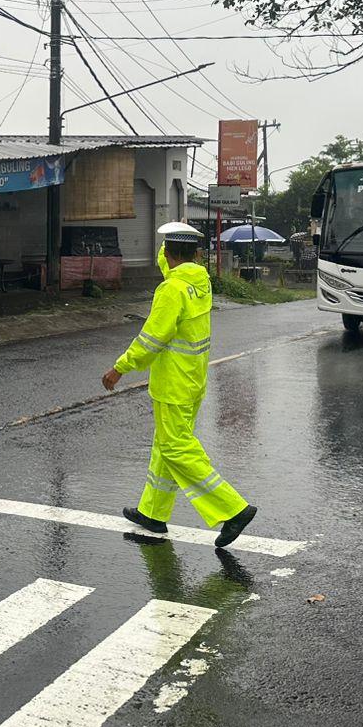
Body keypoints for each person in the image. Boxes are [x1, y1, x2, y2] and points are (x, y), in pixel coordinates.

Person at [102, 222, 257, 549]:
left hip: (172, 383)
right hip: (193, 379)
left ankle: (233, 509)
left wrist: (120, 368)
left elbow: (152, 338)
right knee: (166, 445)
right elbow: (171, 263)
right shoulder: (200, 282)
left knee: (175, 447)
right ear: (196, 255)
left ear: (169, 253)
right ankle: (153, 513)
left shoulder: (171, 290)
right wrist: (172, 246)